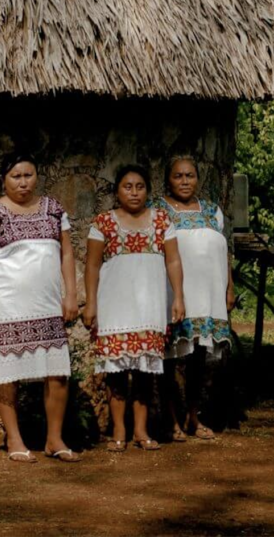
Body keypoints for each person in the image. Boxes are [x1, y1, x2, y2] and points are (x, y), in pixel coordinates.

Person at [0, 152, 81, 463]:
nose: (23, 182)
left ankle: (54, 439)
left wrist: (70, 295)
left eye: (28, 175)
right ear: (3, 180)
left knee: (57, 372)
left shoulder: (54, 210)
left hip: (47, 305)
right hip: (8, 307)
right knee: (8, 374)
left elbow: (67, 254)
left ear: (37, 176)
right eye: (16, 176)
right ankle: (15, 440)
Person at [83, 164, 185, 452]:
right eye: (128, 186)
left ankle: (141, 431)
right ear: (117, 191)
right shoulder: (103, 222)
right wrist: (90, 302)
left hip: (150, 306)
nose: (134, 192)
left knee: (143, 371)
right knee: (116, 372)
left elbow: (174, 261)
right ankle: (119, 430)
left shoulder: (163, 221)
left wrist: (178, 297)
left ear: (148, 191)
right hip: (115, 306)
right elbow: (91, 266)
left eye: (140, 186)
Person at [157, 156, 234, 441]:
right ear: (169, 180)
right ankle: (171, 419)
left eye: (190, 176)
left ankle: (193, 416)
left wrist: (229, 288)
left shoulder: (212, 211)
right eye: (178, 176)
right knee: (169, 358)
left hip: (209, 296)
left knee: (199, 358)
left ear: (197, 179)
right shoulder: (159, 210)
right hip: (175, 294)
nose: (185, 181)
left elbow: (223, 252)